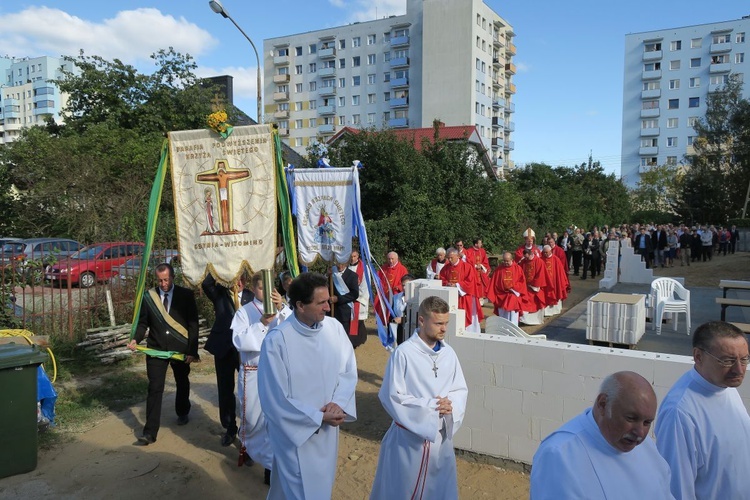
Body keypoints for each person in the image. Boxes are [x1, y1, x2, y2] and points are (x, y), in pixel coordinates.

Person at [257, 273, 358, 499]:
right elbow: (274, 398)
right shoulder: (278, 340)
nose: (327, 307)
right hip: (295, 434)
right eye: (320, 302)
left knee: (316, 488)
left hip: (327, 430)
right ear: (300, 305)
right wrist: (317, 416)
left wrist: (338, 404)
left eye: (327, 301)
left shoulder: (333, 329)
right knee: (300, 491)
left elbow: (348, 370)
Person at [370, 296, 468, 499]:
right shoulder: (404, 353)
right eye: (438, 323)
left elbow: (459, 389)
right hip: (409, 440)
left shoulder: (449, 354)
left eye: (446, 323)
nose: (444, 329)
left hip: (440, 439)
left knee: (441, 490)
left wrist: (452, 406)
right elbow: (392, 396)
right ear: (422, 321)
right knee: (403, 491)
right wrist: (431, 407)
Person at [530, 371, 674, 499]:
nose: (640, 433)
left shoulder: (647, 447)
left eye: (647, 422)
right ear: (603, 404)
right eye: (631, 418)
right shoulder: (560, 456)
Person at [655, 321, 750, 499]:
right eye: (728, 360)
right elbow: (677, 491)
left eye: (744, 359)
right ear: (698, 356)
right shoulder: (680, 413)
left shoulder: (726, 387)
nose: (739, 369)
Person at [128, 263, 199, 445]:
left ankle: (182, 411)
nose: (163, 284)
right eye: (160, 280)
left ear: (172, 277)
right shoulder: (149, 297)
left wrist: (192, 350)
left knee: (182, 381)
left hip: (180, 349)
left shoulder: (186, 295)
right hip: (156, 348)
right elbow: (143, 323)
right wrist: (136, 338)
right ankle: (150, 432)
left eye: (166, 280)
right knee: (155, 388)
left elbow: (193, 325)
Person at [230, 272, 291, 483]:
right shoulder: (245, 312)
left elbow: (295, 330)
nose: (266, 292)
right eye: (261, 288)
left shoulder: (283, 309)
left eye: (269, 287)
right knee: (253, 419)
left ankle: (270, 468)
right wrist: (263, 323)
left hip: (277, 372)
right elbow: (240, 341)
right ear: (254, 289)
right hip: (253, 372)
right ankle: (249, 445)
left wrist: (282, 308)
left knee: (275, 420)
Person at [201, 272, 254, 447]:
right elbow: (206, 284)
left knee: (247, 390)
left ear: (245, 281)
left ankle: (249, 430)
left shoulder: (251, 297)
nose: (237, 282)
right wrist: (222, 264)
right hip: (223, 347)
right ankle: (230, 427)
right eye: (234, 278)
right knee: (225, 389)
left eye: (240, 278)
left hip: (244, 350)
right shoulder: (219, 294)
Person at [439, 247, 483, 332]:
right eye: (448, 258)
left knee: (467, 317)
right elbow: (442, 279)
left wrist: (456, 285)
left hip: (464, 297)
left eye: (451, 257)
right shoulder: (445, 268)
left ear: (458, 256)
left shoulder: (467, 267)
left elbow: (470, 282)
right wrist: (447, 284)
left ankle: (470, 333)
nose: (449, 259)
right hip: (451, 297)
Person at [487, 252, 527, 326]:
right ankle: (503, 329)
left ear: (512, 259)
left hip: (513, 294)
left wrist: (513, 287)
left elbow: (522, 282)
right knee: (503, 316)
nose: (505, 263)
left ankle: (513, 328)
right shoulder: (499, 269)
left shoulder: (517, 268)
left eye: (507, 261)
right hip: (501, 295)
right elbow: (494, 282)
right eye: (504, 261)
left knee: (512, 311)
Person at [374, 251, 409, 327]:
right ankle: (384, 325)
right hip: (385, 294)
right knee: (383, 310)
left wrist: (398, 287)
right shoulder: (384, 267)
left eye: (392, 259)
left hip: (395, 295)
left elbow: (406, 281)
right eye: (389, 259)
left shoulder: (402, 269)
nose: (390, 261)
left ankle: (392, 325)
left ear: (397, 258)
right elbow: (378, 278)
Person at [328, 264, 360, 343]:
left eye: (342, 263)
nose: (340, 266)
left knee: (343, 334)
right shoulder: (331, 272)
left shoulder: (352, 275)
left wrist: (338, 299)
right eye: (338, 263)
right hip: (330, 309)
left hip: (344, 310)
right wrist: (327, 275)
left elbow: (354, 294)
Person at [348, 250, 369, 347]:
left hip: (359, 298)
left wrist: (357, 296)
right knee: (350, 320)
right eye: (351, 256)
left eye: (354, 256)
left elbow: (365, 285)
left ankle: (359, 339)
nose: (352, 258)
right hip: (348, 297)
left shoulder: (364, 268)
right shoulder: (346, 265)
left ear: (358, 256)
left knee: (358, 320)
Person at [540, 245, 569, 316]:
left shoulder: (556, 259)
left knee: (555, 292)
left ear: (550, 251)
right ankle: (546, 312)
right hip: (545, 282)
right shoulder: (541, 259)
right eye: (544, 252)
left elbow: (560, 272)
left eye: (547, 252)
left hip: (554, 281)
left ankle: (555, 310)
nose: (545, 254)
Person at [391, 274, 415, 345]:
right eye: (403, 285)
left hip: (412, 330)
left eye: (407, 285)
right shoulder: (396, 297)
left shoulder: (416, 298)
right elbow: (392, 314)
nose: (404, 288)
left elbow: (416, 316)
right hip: (400, 330)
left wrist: (403, 319)